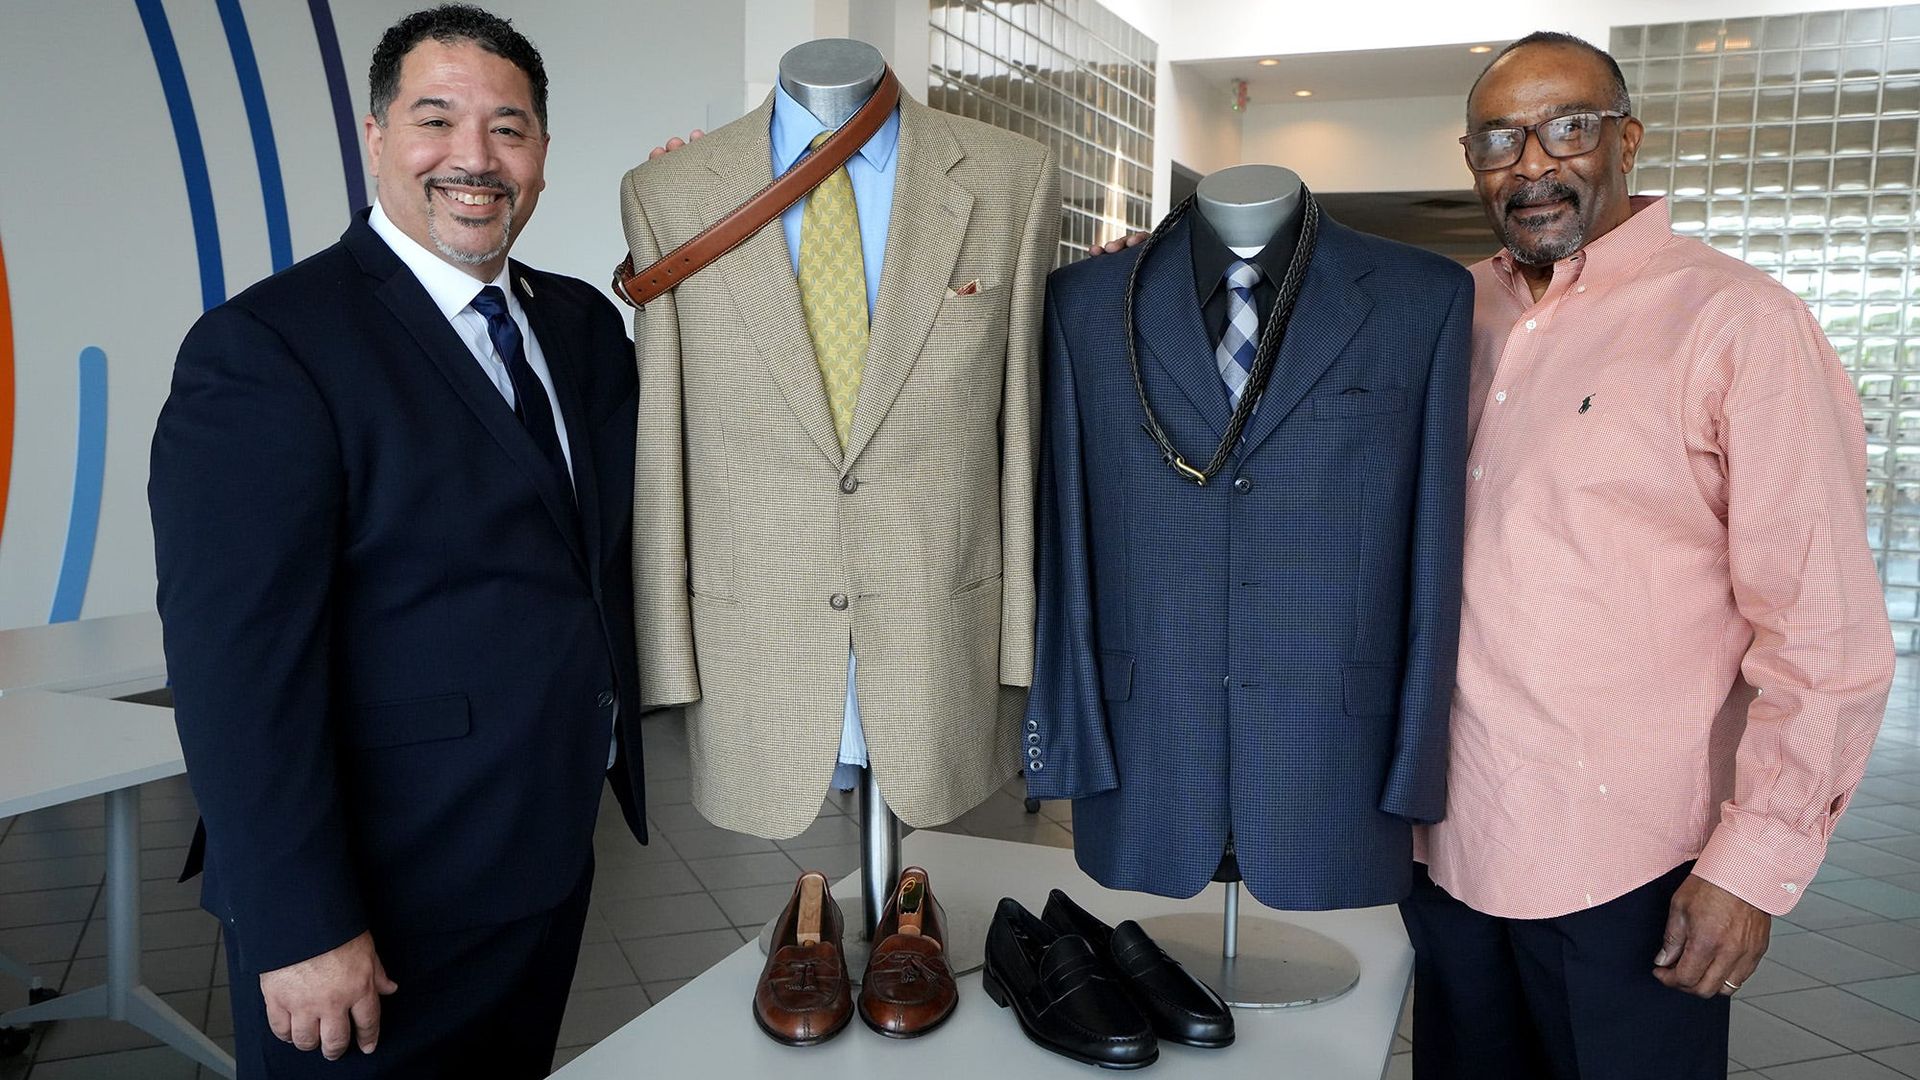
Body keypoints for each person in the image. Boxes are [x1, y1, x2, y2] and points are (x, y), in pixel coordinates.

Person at [148, 6, 644, 1076]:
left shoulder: (583, 330)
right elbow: (236, 669)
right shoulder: (267, 349)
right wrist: (300, 925)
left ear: (544, 157)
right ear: (375, 139)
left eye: (509, 128)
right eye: (436, 119)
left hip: (544, 859)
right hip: (369, 900)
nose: (475, 156)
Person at [1398, 31, 1893, 1079]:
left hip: (1630, 866)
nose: (1531, 163)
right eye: (1499, 139)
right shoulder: (1447, 314)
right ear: (1471, 161)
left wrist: (1753, 867)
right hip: (1447, 843)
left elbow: (1825, 632)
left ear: (1625, 139)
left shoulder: (1741, 325)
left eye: (1565, 128)